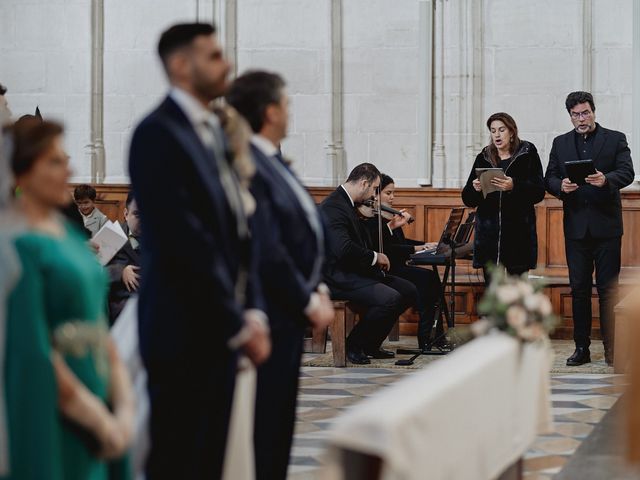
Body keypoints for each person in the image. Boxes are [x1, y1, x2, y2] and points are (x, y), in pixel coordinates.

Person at [128, 23, 270, 480]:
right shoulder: (157, 133)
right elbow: (181, 241)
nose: (225, 64)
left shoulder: (210, 131)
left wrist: (252, 310)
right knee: (178, 461)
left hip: (219, 325)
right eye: (213, 56)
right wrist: (236, 319)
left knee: (211, 459)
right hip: (181, 327)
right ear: (180, 64)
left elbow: (235, 231)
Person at [1, 118, 134, 480]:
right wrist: (97, 418)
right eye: (55, 161)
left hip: (99, 383)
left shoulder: (69, 236)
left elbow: (97, 321)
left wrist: (122, 404)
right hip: (57, 407)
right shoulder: (17, 249)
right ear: (22, 173)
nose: (69, 169)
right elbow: (34, 350)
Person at [227, 70, 334, 480]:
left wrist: (319, 286)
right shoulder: (248, 165)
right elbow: (267, 247)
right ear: (270, 111)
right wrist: (308, 299)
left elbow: (306, 235)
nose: (291, 112)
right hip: (269, 311)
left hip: (292, 307)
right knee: (265, 424)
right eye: (287, 104)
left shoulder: (272, 161)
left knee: (279, 422)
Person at [545, 91, 634, 367]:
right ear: (569, 116)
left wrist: (605, 179)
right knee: (579, 290)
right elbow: (549, 177)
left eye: (585, 113)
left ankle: (612, 350)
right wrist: (561, 186)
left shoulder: (615, 138)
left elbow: (627, 172)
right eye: (575, 115)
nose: (581, 119)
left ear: (593, 111)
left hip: (607, 228)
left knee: (608, 290)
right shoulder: (560, 143)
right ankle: (581, 348)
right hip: (576, 230)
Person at [320, 163, 418, 364]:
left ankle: (371, 344)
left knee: (408, 290)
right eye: (374, 189)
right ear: (364, 183)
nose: (375, 196)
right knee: (389, 298)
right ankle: (353, 345)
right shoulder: (334, 207)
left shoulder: (351, 204)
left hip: (357, 270)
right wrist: (375, 257)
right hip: (337, 276)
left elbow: (364, 240)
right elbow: (344, 248)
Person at [462, 112, 545, 282]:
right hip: (489, 238)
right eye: (493, 131)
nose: (497, 135)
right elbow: (468, 199)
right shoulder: (483, 157)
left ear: (512, 132)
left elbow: (538, 192)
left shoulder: (527, 154)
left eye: (501, 130)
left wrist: (514, 186)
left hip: (518, 235)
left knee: (517, 293)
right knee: (493, 293)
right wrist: (475, 188)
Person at [364, 174, 444, 350]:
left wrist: (424, 245)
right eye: (388, 193)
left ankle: (435, 335)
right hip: (387, 269)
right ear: (375, 195)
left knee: (430, 279)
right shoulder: (372, 220)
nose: (392, 197)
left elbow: (400, 243)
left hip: (398, 266)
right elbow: (386, 249)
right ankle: (426, 337)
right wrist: (414, 247)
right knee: (426, 279)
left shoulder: (387, 218)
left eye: (393, 193)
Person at [106, 192, 141, 325]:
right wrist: (121, 272)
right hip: (122, 302)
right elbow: (93, 271)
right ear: (126, 214)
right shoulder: (112, 234)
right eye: (137, 214)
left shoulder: (157, 235)